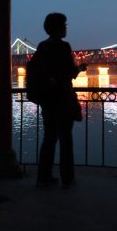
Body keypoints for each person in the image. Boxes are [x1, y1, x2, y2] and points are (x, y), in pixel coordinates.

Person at [34, 12, 87, 188]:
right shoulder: (64, 47)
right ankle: (67, 177)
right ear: (59, 27)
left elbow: (39, 72)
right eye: (65, 25)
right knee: (66, 140)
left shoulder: (42, 46)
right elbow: (69, 74)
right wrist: (80, 68)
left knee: (49, 139)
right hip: (63, 100)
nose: (66, 28)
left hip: (47, 100)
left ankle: (43, 176)